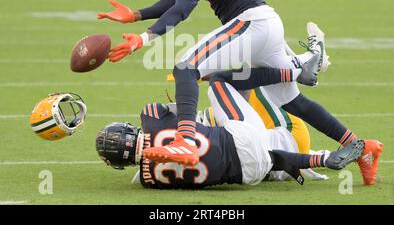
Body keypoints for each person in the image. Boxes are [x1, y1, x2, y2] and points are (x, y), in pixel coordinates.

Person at [97, 0, 382, 186]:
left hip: (250, 23)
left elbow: (183, 8)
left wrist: (144, 38)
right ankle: (361, 146)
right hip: (264, 24)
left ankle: (185, 141)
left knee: (186, 68)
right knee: (291, 100)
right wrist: (136, 14)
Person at [96, 67, 364, 189]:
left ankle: (324, 159)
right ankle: (294, 72)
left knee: (266, 158)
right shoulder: (150, 116)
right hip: (243, 137)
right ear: (129, 130)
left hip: (248, 175)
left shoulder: (148, 182)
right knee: (223, 78)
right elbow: (180, 110)